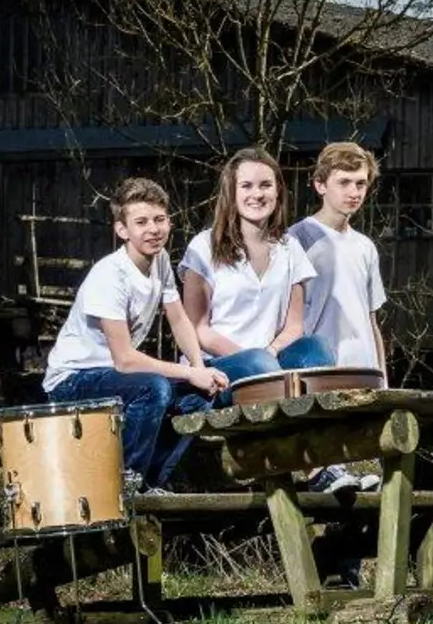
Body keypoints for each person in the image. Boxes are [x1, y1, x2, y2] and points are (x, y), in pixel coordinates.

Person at [42, 178, 228, 491]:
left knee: (200, 395)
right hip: (73, 379)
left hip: (113, 374)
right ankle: (124, 484)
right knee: (153, 388)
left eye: (160, 219)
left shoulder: (162, 262)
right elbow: (126, 361)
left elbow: (179, 318)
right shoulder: (110, 275)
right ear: (122, 230)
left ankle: (151, 483)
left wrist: (199, 368)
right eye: (141, 222)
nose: (153, 229)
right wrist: (188, 371)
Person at [180, 147, 336, 400]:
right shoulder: (203, 246)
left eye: (265, 185)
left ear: (277, 191)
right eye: (247, 186)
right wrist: (251, 356)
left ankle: (311, 424)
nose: (257, 194)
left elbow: (294, 326)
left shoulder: (290, 248)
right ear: (232, 193)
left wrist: (272, 351)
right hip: (220, 365)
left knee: (316, 349)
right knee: (256, 365)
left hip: (271, 359)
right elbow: (198, 329)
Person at [288, 141, 389, 494]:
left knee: (371, 484)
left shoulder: (365, 247)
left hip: (362, 371)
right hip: (322, 368)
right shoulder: (298, 238)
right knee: (331, 477)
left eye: (360, 184)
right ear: (320, 184)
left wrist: (383, 378)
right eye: (344, 182)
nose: (353, 192)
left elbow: (372, 319)